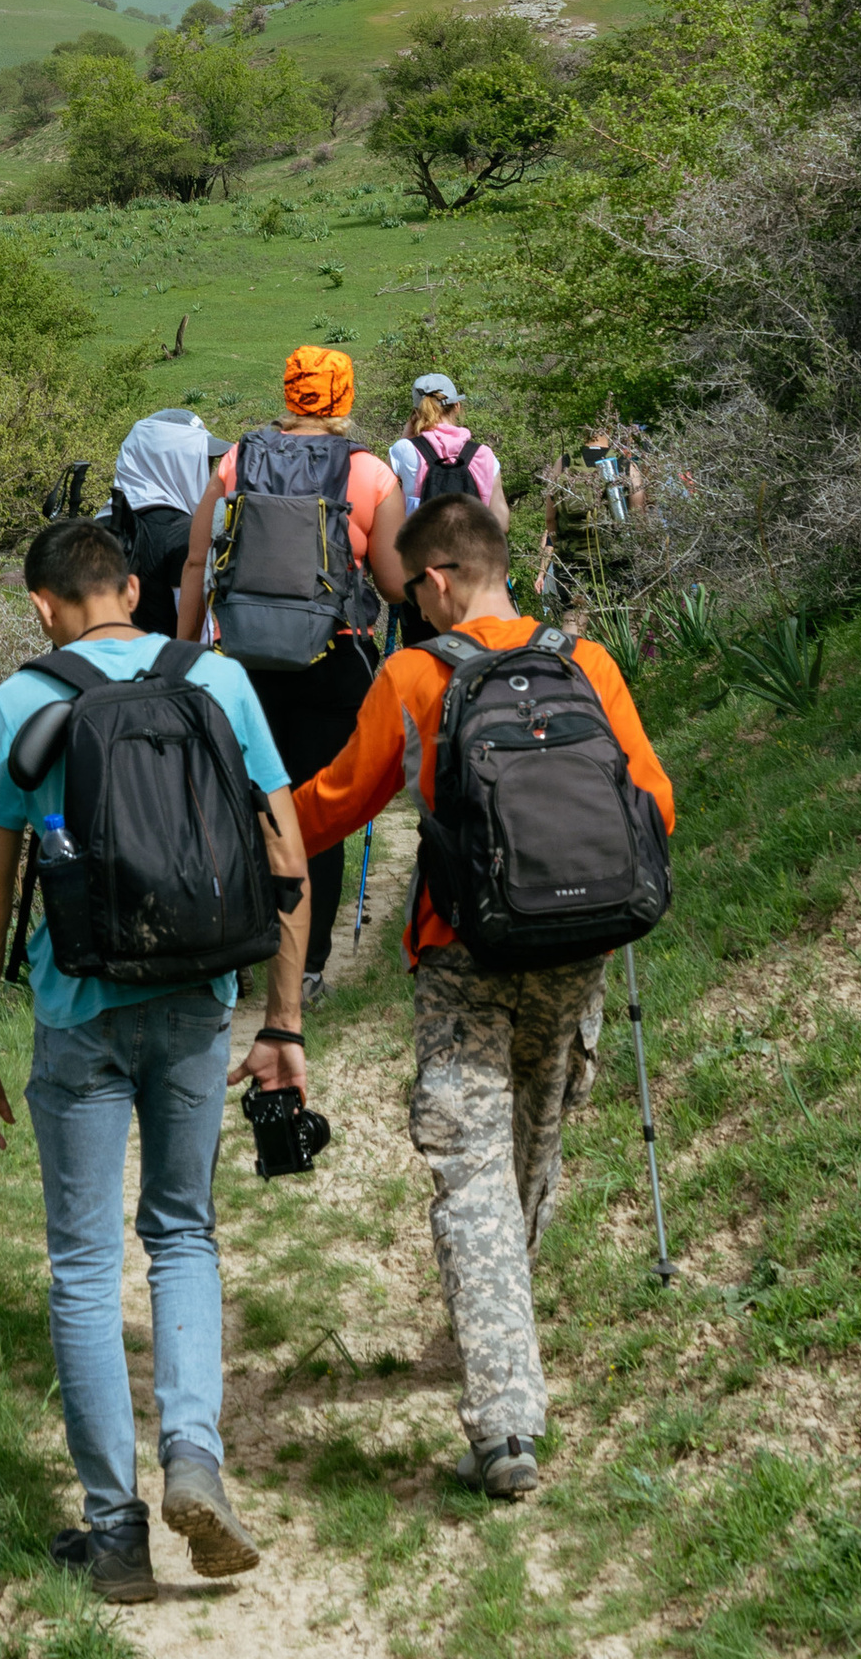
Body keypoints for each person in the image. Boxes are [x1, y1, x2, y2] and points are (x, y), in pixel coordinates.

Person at [0, 515, 311, 1603]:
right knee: (183, 1234)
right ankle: (193, 1457)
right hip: (199, 1000)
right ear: (135, 595)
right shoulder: (216, 680)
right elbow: (284, 852)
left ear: (42, 605)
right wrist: (282, 1022)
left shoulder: (25, 699)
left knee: (82, 1265)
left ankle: (114, 1535)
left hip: (80, 1011)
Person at [289, 493, 676, 1498]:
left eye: (410, 590)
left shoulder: (416, 674)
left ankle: (505, 1421)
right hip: (575, 943)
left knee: (468, 1170)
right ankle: (500, 1335)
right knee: (527, 1153)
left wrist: (248, 828)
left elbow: (335, 802)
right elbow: (655, 802)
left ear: (438, 579)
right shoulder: (583, 661)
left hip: (461, 955)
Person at [176, 347, 405, 1000]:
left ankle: (240, 953)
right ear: (344, 399)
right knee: (319, 816)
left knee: (242, 807)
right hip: (333, 665)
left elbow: (197, 562)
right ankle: (305, 969)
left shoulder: (236, 460)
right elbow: (392, 583)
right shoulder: (368, 473)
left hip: (242, 663)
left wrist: (183, 651)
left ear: (288, 393)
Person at [387, 377, 508, 640]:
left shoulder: (403, 451)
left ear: (416, 411)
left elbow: (390, 516)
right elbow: (501, 521)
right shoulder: (484, 455)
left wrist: (407, 437)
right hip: (476, 580)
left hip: (423, 582)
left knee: (426, 660)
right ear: (457, 408)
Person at [109, 399, 222, 634]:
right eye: (204, 463)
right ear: (175, 465)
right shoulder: (184, 535)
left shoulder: (98, 526)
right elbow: (197, 641)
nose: (210, 475)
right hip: (164, 668)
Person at [538, 424, 647, 613]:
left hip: (572, 561)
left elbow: (550, 518)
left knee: (574, 618)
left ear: (582, 432)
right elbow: (639, 519)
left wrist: (561, 548)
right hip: (614, 561)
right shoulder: (626, 465)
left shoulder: (564, 463)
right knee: (617, 620)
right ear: (610, 429)